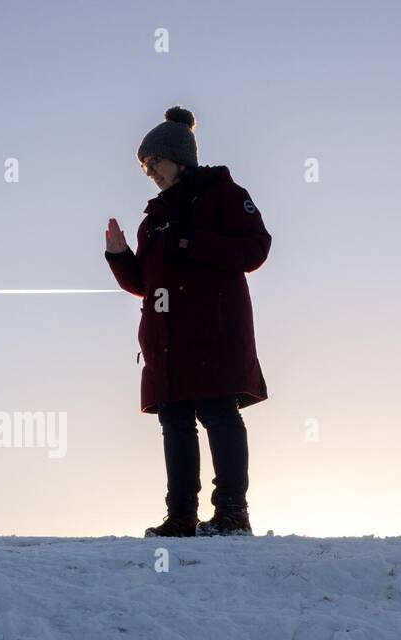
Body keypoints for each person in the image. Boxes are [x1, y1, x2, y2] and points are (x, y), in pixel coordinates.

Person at [104, 105, 271, 537]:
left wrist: (191, 240)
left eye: (153, 162)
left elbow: (256, 248)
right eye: (145, 167)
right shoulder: (153, 221)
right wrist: (120, 256)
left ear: (178, 156)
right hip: (165, 339)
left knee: (218, 413)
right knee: (174, 423)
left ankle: (233, 514)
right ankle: (181, 518)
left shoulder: (223, 195)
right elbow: (144, 283)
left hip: (215, 332)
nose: (150, 172)